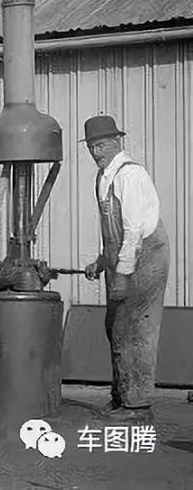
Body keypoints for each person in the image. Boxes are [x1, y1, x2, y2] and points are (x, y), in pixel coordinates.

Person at [81, 115, 170, 424]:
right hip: (123, 255)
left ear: (117, 142)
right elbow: (112, 231)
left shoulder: (129, 175)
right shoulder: (103, 177)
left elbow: (132, 229)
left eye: (101, 144)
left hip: (146, 256)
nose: (96, 151)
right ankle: (122, 396)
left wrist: (123, 274)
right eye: (91, 145)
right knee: (115, 326)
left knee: (135, 328)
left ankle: (138, 406)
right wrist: (102, 260)